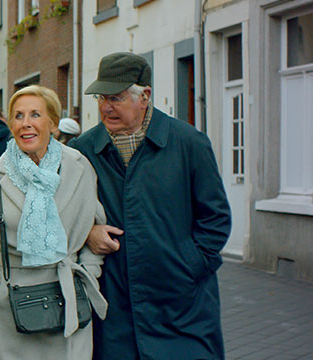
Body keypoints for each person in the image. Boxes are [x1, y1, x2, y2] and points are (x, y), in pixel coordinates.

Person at [68, 52, 231, 359]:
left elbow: (216, 219)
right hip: (114, 310)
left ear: (144, 96)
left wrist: (189, 266)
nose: (105, 107)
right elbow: (61, 215)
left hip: (182, 307)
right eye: (101, 98)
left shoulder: (189, 144)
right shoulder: (82, 151)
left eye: (115, 97)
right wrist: (87, 231)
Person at [0, 85, 108, 359]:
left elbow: (92, 226)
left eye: (35, 114)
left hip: (69, 303)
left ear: (52, 122)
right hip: (13, 310)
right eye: (18, 116)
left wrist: (89, 276)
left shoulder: (79, 167)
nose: (25, 123)